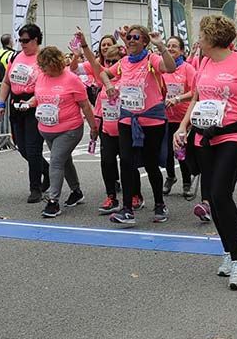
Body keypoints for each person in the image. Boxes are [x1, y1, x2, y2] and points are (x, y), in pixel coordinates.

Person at [174, 15, 237, 290]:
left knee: (219, 193)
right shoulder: (203, 62)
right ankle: (228, 253)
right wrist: (183, 127)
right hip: (205, 136)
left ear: (213, 37)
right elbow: (196, 97)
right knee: (213, 199)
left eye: (202, 35)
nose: (198, 40)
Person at [103, 25, 176, 227]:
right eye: (129, 37)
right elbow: (103, 74)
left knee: (151, 164)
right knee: (126, 162)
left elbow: (170, 68)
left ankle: (159, 204)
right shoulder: (123, 63)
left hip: (151, 120)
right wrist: (109, 86)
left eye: (136, 37)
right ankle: (127, 209)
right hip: (127, 119)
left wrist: (160, 46)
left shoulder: (151, 59)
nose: (131, 40)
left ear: (144, 41)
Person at [74, 34, 144, 214]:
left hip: (127, 129)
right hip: (107, 130)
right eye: (108, 61)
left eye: (115, 61)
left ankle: (136, 194)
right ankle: (111, 196)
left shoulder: (129, 80)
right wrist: (94, 127)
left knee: (128, 164)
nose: (110, 64)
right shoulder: (104, 82)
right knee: (107, 163)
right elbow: (99, 107)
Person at [28, 45, 96, 218]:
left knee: (56, 161)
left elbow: (85, 105)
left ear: (55, 63)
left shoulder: (72, 79)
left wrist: (93, 127)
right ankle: (76, 191)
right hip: (46, 128)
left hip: (69, 129)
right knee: (65, 161)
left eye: (45, 65)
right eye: (40, 65)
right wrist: (30, 102)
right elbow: (40, 96)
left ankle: (53, 201)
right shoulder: (42, 77)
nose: (42, 69)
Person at [0, 24, 50, 203]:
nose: (22, 44)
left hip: (35, 104)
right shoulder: (16, 56)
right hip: (16, 104)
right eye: (20, 40)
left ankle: (35, 188)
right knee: (22, 148)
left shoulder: (43, 58)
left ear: (36, 40)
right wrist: (0, 103)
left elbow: (46, 85)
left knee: (33, 148)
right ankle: (47, 170)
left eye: (26, 40)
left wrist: (33, 101)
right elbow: (6, 82)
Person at [161, 36, 197, 197]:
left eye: (174, 46)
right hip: (165, 117)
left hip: (183, 118)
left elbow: (196, 92)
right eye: (168, 46)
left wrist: (178, 99)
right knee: (167, 152)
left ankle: (187, 182)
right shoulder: (163, 68)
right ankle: (170, 176)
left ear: (182, 50)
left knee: (181, 151)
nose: (170, 49)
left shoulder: (188, 69)